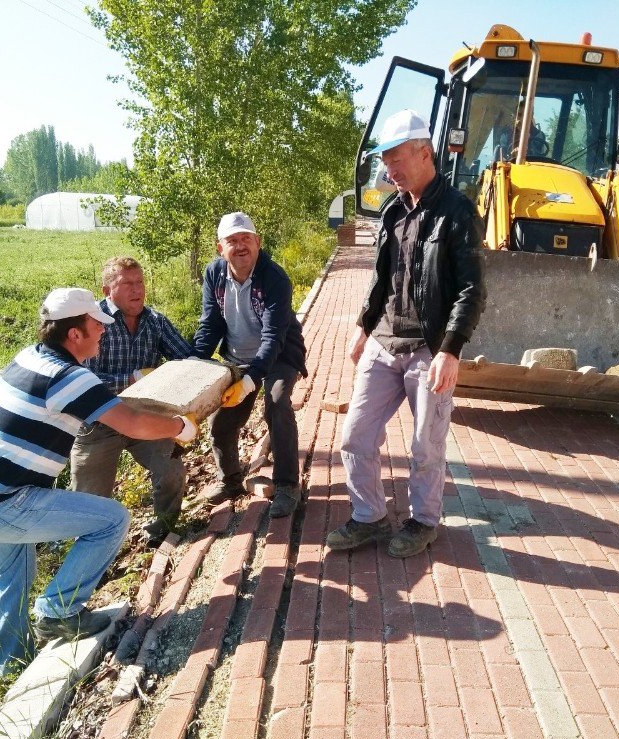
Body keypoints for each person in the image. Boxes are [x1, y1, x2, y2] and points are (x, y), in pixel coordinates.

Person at [0, 287, 198, 676]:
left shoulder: (28, 358)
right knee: (112, 520)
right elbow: (131, 423)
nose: (103, 331)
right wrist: (179, 427)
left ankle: (12, 665)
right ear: (74, 335)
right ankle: (59, 611)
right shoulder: (69, 378)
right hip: (7, 503)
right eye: (96, 325)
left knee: (15, 577)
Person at [326, 109, 485, 559]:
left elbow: (473, 289)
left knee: (425, 445)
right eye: (386, 161)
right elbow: (382, 278)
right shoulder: (393, 209)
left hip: (428, 348)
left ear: (425, 153)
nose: (388, 171)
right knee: (355, 436)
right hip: (384, 341)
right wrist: (363, 325)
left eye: (396, 160)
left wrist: (450, 350)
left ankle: (422, 522)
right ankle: (369, 517)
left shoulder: (457, 212)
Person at [70, 257, 194, 546]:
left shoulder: (156, 321)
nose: (137, 290)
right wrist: (134, 377)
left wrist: (219, 372)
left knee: (171, 469)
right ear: (106, 290)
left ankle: (162, 532)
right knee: (88, 500)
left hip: (145, 416)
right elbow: (82, 382)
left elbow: (186, 358)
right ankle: (90, 556)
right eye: (127, 284)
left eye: (140, 282)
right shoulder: (92, 324)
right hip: (98, 423)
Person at [192, 211, 307, 518]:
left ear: (257, 242)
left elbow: (273, 336)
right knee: (221, 424)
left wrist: (252, 379)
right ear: (220, 248)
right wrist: (195, 360)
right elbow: (210, 325)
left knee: (277, 404)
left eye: (246, 239)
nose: (240, 246)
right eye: (233, 240)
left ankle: (287, 486)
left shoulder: (275, 278)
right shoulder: (214, 274)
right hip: (236, 359)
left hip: (279, 356)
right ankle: (230, 480)